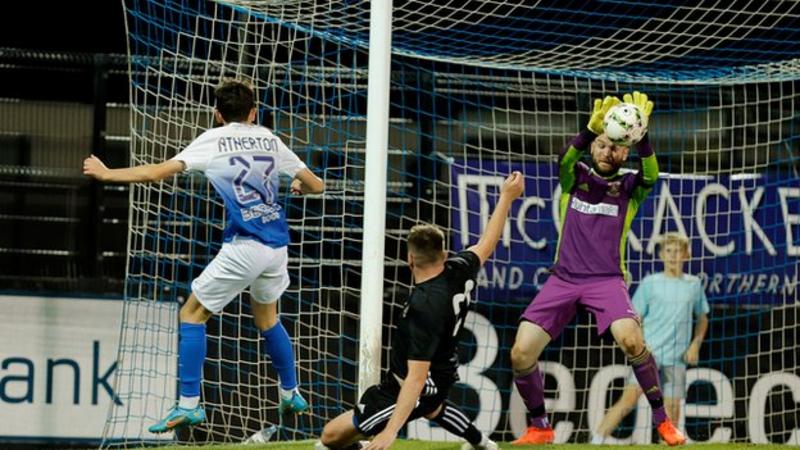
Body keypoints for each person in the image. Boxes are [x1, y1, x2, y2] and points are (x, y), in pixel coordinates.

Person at [83, 79, 324, 433]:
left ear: (217, 114)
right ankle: (291, 392)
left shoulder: (213, 140)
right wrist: (300, 185)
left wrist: (108, 174)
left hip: (246, 245)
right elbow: (317, 184)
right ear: (254, 111)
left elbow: (155, 173)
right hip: (277, 248)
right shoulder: (270, 139)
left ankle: (189, 405)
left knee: (192, 313)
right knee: (268, 319)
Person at [509, 92, 687, 446]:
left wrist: (643, 136)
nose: (608, 152)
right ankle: (540, 425)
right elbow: (567, 156)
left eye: (617, 147)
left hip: (606, 281)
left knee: (632, 339)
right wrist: (590, 129)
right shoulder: (573, 177)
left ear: (625, 151)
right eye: (602, 145)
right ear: (594, 147)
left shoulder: (630, 188)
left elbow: (651, 171)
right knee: (520, 353)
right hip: (563, 278)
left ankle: (663, 421)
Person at [316, 172, 525, 450]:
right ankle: (482, 444)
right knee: (433, 407)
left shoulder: (423, 307)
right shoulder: (459, 269)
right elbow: (488, 242)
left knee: (329, 438)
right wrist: (506, 198)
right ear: (445, 254)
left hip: (411, 386)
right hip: (444, 370)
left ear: (409, 259)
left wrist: (391, 431)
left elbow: (415, 379)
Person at [592, 232, 709, 444]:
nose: (673, 256)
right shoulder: (650, 283)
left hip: (677, 358)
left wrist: (695, 345)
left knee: (672, 409)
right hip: (649, 356)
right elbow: (634, 318)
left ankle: (668, 445)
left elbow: (702, 319)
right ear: (662, 255)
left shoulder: (693, 285)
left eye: (678, 251)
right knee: (628, 400)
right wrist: (642, 345)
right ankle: (596, 441)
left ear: (686, 255)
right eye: (669, 251)